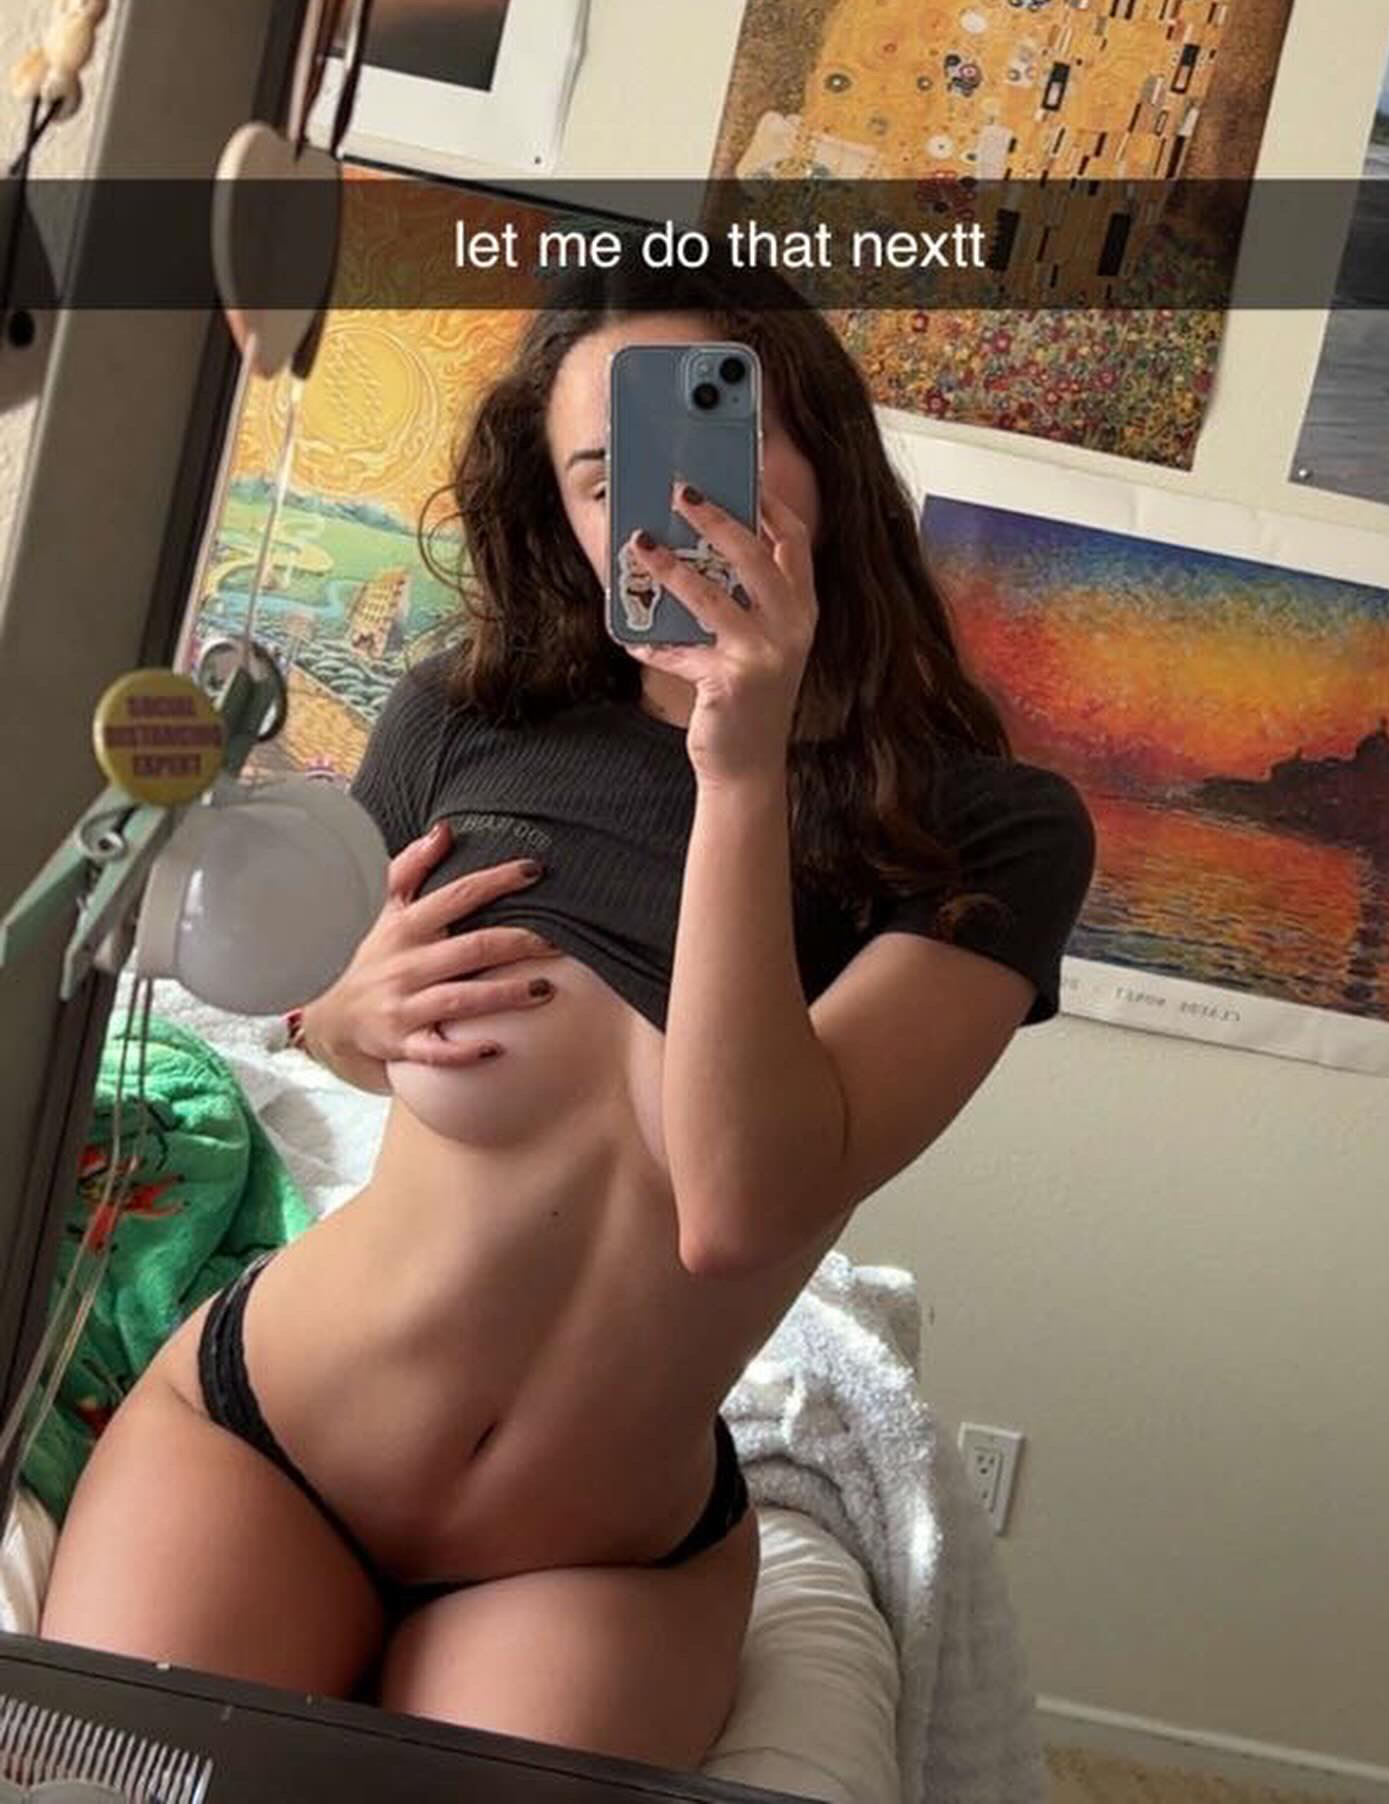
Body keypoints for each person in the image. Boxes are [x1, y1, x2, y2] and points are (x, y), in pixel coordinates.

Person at [40, 261, 1095, 1771]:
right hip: (269, 1440)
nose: (666, 509)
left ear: (823, 459)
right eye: (605, 478)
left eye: (716, 443)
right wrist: (343, 1014)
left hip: (593, 1561)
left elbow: (740, 1208)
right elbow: (316, 1022)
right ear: (567, 517)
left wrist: (741, 764)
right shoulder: (464, 719)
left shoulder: (993, 834)